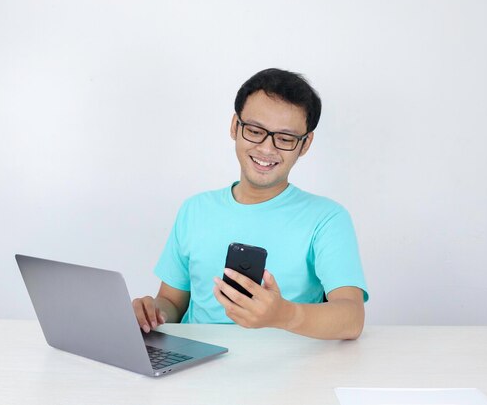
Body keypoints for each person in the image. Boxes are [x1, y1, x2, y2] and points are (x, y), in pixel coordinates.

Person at [132, 68, 368, 340]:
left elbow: (352, 318)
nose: (267, 149)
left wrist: (284, 315)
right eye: (255, 131)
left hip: (290, 373)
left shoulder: (327, 218)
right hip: (195, 369)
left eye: (285, 138)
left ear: (305, 144)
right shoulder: (194, 210)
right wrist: (151, 312)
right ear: (235, 127)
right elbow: (172, 303)